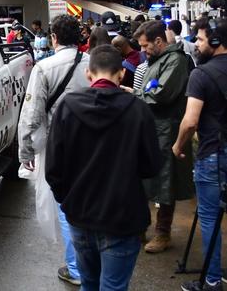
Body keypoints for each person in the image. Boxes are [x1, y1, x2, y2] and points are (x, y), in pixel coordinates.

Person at [46, 45, 162, 291]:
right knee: (114, 286)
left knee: (89, 283)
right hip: (123, 217)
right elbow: (152, 166)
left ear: (89, 74)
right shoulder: (138, 110)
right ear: (121, 74)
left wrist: (68, 201)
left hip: (80, 215)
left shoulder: (67, 107)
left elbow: (54, 168)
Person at [18, 14, 90, 286]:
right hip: (93, 144)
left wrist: (25, 152)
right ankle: (88, 263)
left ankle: (76, 267)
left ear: (54, 38)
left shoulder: (44, 67)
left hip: (59, 145)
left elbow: (32, 114)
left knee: (66, 205)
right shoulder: (93, 63)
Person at [124, 20, 194, 253]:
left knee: (165, 181)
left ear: (158, 41)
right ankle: (141, 228)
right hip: (152, 127)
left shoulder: (175, 61)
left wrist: (138, 94)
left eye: (145, 46)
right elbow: (151, 90)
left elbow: (160, 94)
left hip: (167, 129)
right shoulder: (157, 61)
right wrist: (141, 92)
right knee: (144, 179)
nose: (142, 51)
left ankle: (163, 233)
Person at [173, 18, 227, 291]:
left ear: (216, 43)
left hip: (214, 155)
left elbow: (190, 121)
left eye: (201, 39)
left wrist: (178, 145)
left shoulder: (201, 75)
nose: (195, 43)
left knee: (209, 217)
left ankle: (213, 280)